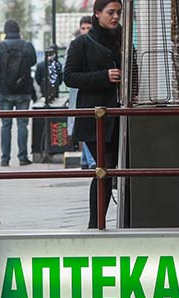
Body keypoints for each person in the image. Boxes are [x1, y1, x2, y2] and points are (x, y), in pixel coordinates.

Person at [64, 0, 122, 228]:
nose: (115, 17)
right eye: (110, 12)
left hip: (120, 116)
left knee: (113, 168)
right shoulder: (81, 44)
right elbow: (69, 77)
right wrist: (103, 76)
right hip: (94, 118)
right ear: (97, 13)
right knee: (104, 168)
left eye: (118, 12)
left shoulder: (122, 39)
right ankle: (95, 224)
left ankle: (101, 223)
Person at [0, 19, 36, 167]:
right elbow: (33, 62)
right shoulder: (27, 46)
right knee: (22, 124)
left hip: (4, 91)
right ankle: (23, 157)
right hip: (23, 91)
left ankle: (5, 158)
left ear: (6, 31)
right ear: (18, 31)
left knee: (5, 125)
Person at [67, 16, 96, 170]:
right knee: (85, 124)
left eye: (88, 28)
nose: (85, 31)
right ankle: (90, 161)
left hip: (85, 91)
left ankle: (86, 160)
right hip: (79, 91)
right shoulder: (76, 45)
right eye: (83, 28)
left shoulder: (93, 44)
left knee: (86, 123)